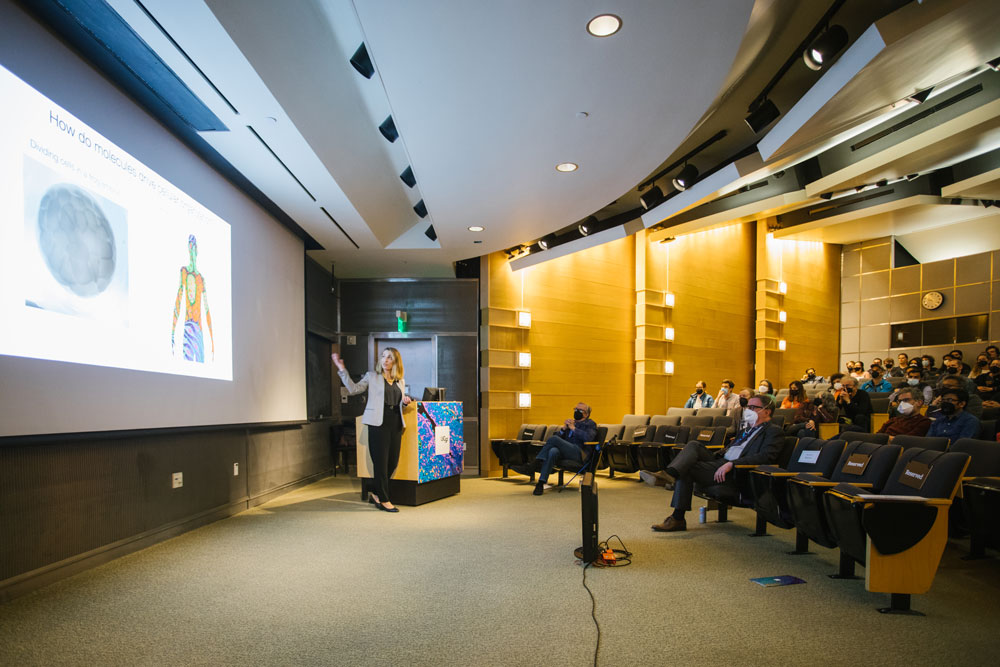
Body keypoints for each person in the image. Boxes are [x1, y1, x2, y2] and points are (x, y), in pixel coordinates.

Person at [650, 395, 782, 532]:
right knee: (694, 445)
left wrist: (733, 464)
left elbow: (766, 457)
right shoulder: (745, 430)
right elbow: (731, 449)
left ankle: (677, 517)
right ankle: (670, 474)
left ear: (767, 411)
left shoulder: (773, 431)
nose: (748, 410)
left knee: (687, 469)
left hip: (736, 470)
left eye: (753, 407)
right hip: (721, 461)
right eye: (748, 407)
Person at [333, 348, 412, 513]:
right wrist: (342, 370)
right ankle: (384, 500)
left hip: (395, 423)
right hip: (378, 424)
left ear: (396, 361)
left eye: (389, 358)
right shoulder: (372, 377)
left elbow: (398, 403)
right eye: (383, 357)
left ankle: (375, 492)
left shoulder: (400, 381)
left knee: (392, 462)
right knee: (381, 463)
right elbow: (354, 389)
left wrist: (404, 403)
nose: (385, 360)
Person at [518, 402, 597, 495]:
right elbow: (557, 439)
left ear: (586, 414)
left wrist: (573, 429)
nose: (576, 412)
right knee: (553, 451)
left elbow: (589, 437)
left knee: (554, 440)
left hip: (580, 452)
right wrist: (563, 429)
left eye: (579, 410)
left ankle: (535, 463)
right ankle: (540, 483)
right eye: (575, 409)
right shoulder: (572, 422)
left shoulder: (590, 424)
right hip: (567, 450)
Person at [171, 234, 215, 363]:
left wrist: (212, 340)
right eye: (190, 246)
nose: (192, 250)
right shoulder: (184, 272)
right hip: (188, 328)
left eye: (194, 246)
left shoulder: (201, 278)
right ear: (188, 248)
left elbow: (207, 310)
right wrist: (173, 332)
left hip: (199, 331)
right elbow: (178, 301)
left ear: (197, 250)